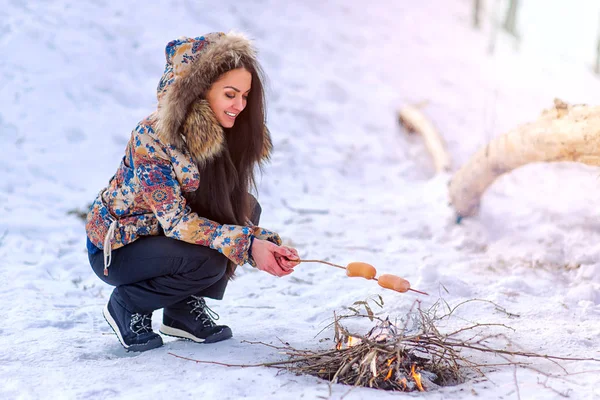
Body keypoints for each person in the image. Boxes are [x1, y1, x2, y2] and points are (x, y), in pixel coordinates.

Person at [85, 32, 300, 352]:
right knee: (209, 261)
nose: (240, 106)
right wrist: (246, 245)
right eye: (230, 94)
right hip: (121, 246)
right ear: (199, 90)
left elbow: (223, 210)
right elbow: (175, 221)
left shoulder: (224, 131)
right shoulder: (154, 135)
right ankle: (128, 304)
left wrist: (260, 242)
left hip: (164, 242)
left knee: (246, 206)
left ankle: (181, 311)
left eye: (245, 95)